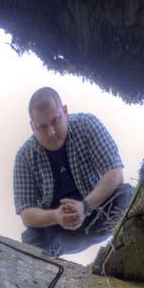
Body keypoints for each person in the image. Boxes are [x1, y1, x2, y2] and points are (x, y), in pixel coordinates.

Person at [13, 86, 132, 258]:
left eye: (55, 121)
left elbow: (115, 172)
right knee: (32, 236)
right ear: (32, 127)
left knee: (126, 196)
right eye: (42, 127)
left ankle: (124, 253)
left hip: (100, 214)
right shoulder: (24, 157)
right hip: (59, 232)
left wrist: (84, 206)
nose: (51, 132)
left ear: (65, 111)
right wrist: (56, 216)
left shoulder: (87, 125)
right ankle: (44, 272)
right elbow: (26, 213)